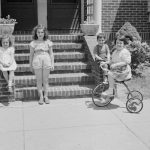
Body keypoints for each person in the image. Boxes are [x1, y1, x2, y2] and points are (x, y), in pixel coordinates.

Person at [29, 25, 54, 105]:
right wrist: (30, 65)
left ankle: (46, 96)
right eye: (38, 32)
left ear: (44, 33)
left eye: (42, 32)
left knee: (45, 80)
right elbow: (31, 55)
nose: (40, 34)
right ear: (36, 33)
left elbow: (51, 54)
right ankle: (41, 97)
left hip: (46, 59)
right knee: (39, 80)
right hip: (37, 60)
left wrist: (52, 64)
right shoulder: (33, 43)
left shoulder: (48, 42)